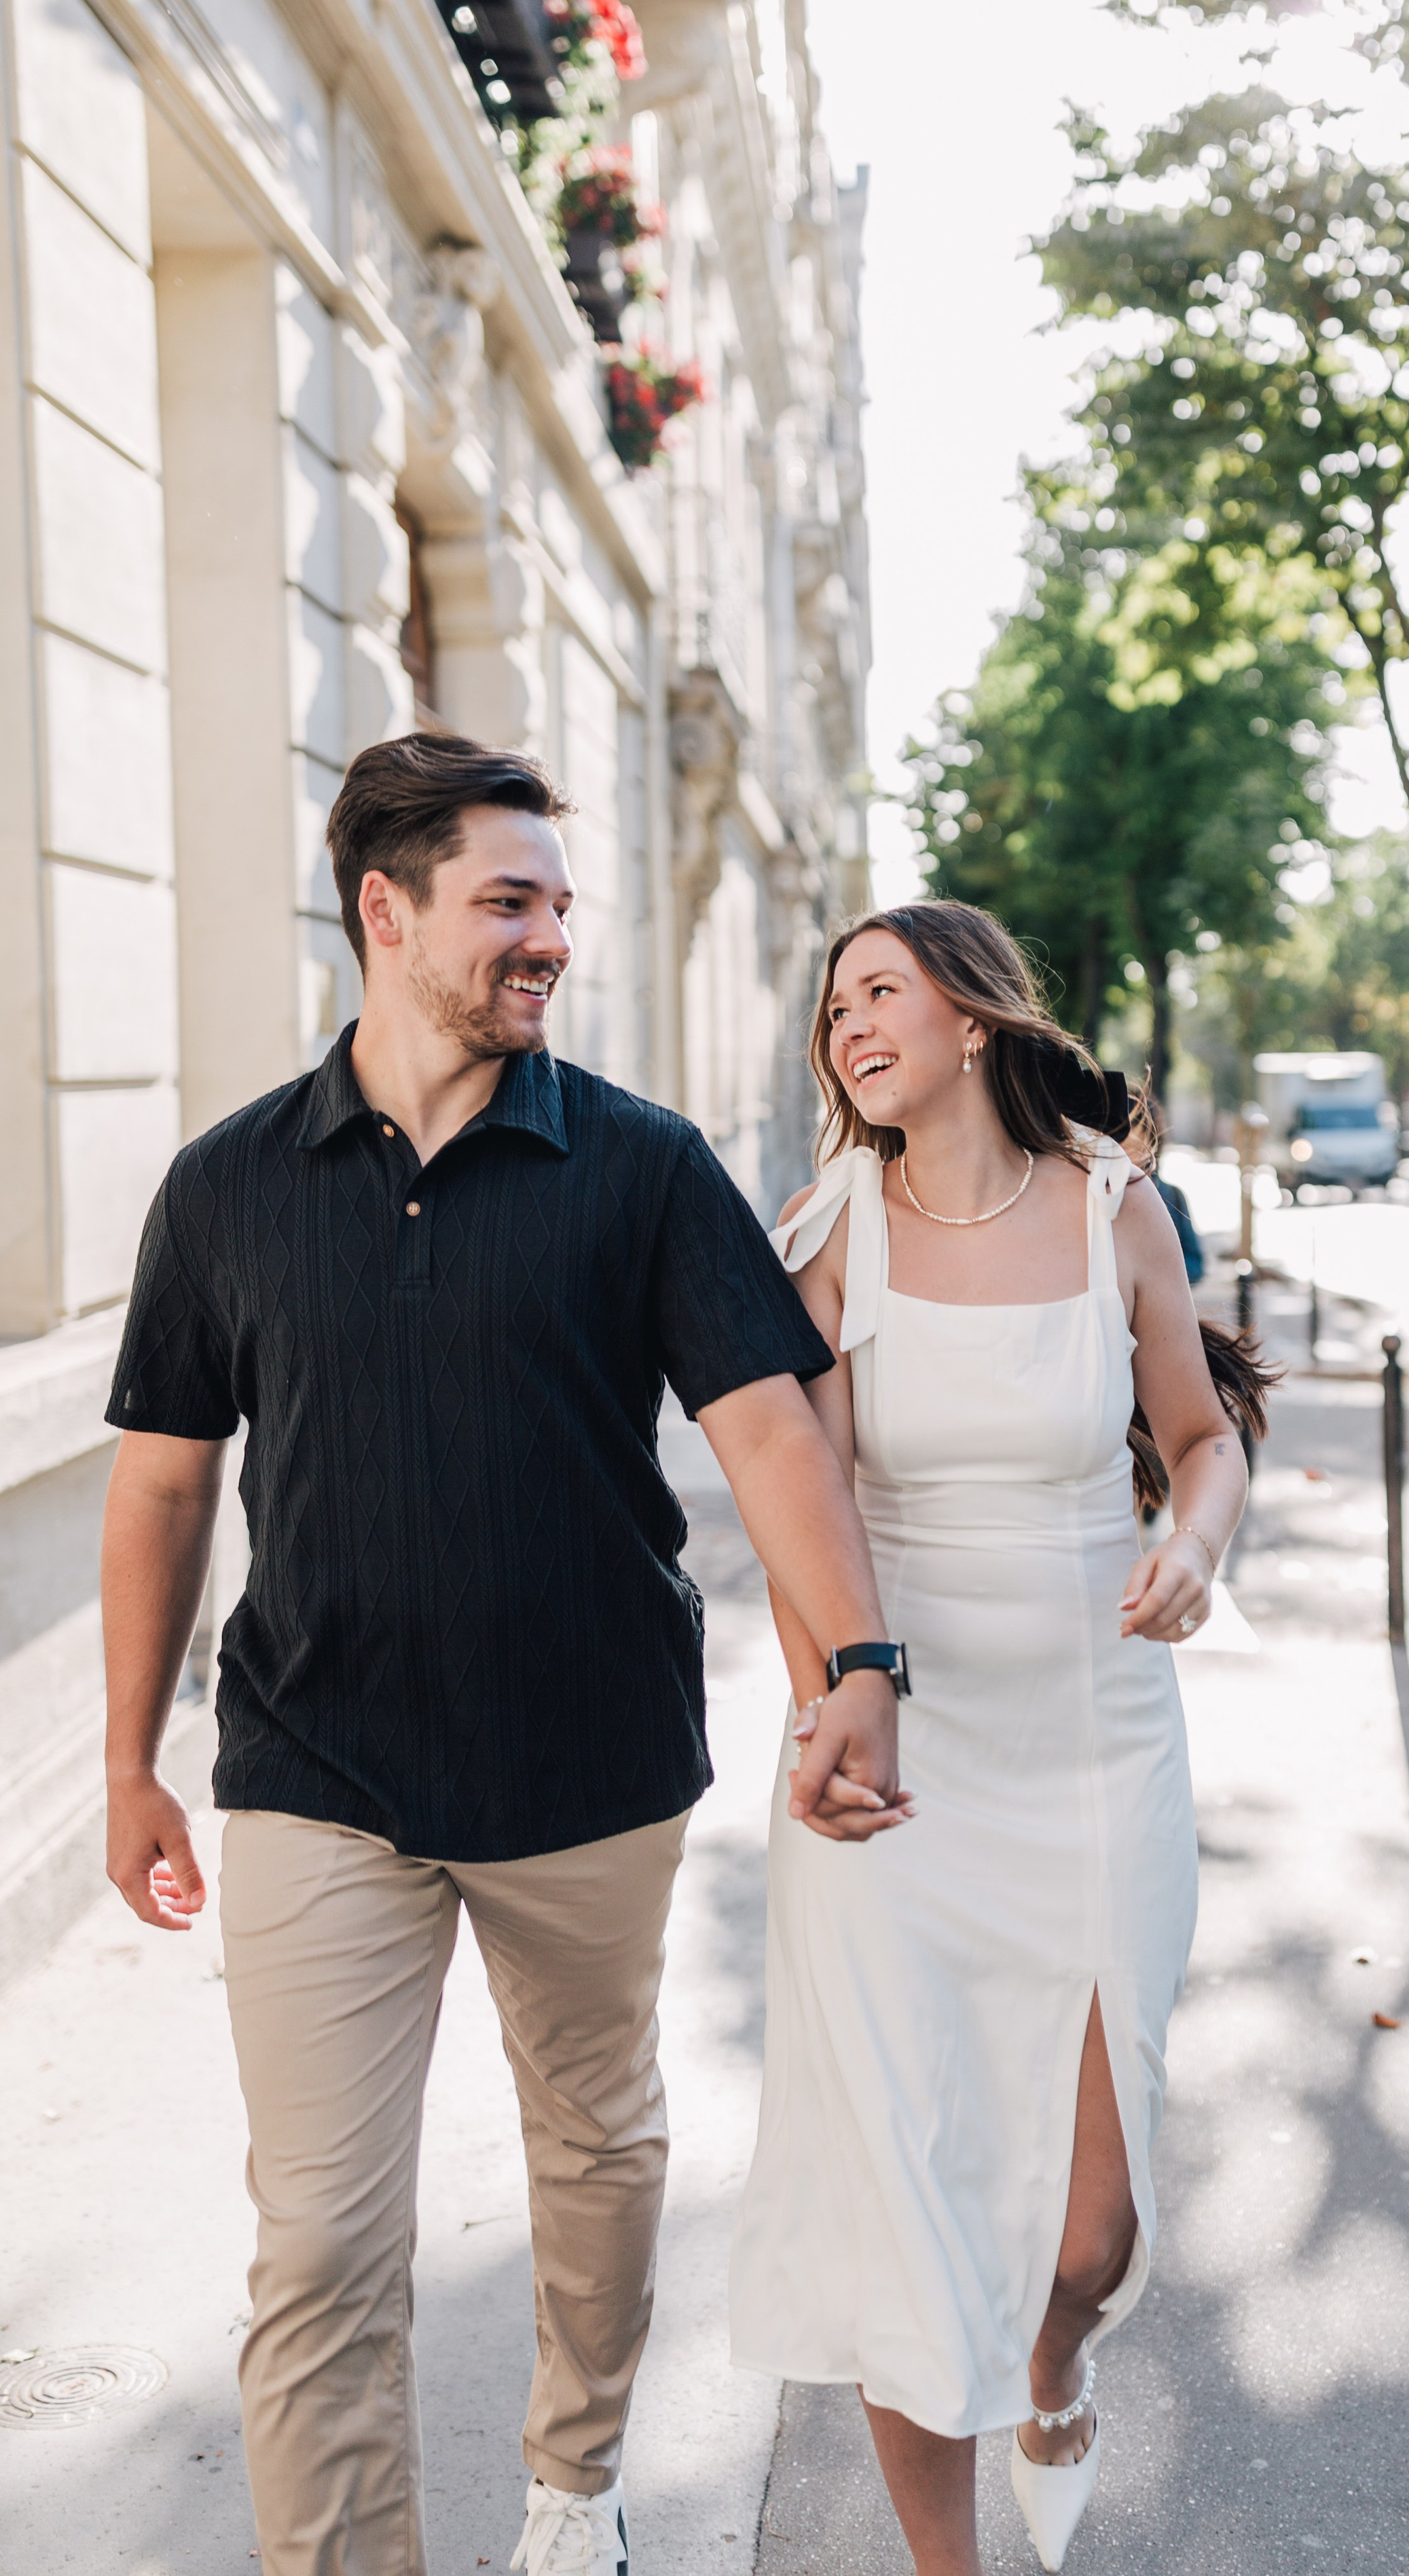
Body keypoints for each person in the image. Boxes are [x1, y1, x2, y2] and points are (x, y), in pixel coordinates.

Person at [100, 731, 911, 2576]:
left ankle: (572, 2472)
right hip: (316, 1766)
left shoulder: (637, 1164)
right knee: (315, 2242)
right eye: (511, 902)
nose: (552, 937)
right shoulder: (225, 1189)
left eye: (560, 904)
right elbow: (160, 1491)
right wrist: (131, 1753)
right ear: (387, 914)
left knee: (600, 2152)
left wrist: (857, 1659)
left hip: (587, 1762)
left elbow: (771, 1427)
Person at [729, 901, 1268, 2576]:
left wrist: (1191, 1541)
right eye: (832, 1012)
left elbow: (1198, 1439)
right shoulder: (826, 1232)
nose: (849, 1029)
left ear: (971, 1018)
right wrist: (829, 1712)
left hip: (1099, 1747)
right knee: (912, 2204)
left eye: (878, 994)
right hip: (896, 1766)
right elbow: (796, 1510)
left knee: (1089, 2231)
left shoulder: (1115, 1209)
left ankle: (1053, 2364)